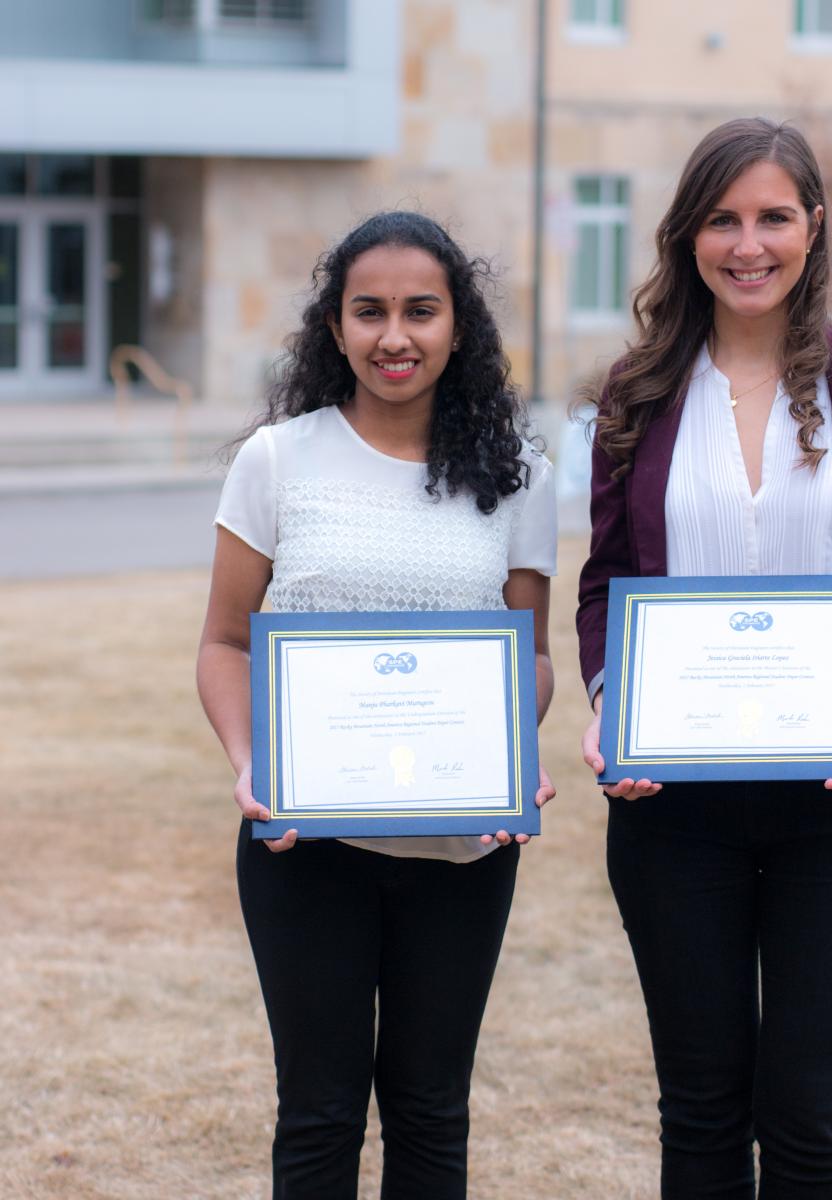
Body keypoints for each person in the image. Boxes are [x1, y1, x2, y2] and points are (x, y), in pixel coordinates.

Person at [577, 118, 832, 1198]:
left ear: (812, 227)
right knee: (697, 1117)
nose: (749, 244)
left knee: (808, 1125)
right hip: (672, 807)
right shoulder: (636, 390)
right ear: (688, 234)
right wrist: (610, 698)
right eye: (722, 219)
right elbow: (606, 582)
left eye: (773, 217)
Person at [197, 211, 556, 1200]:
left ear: (458, 325)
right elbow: (226, 641)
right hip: (305, 843)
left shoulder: (520, 475)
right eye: (369, 312)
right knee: (317, 1115)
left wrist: (509, 753)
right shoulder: (277, 461)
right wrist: (248, 762)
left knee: (433, 1112)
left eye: (420, 311)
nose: (394, 336)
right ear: (335, 326)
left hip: (461, 849)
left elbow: (527, 658)